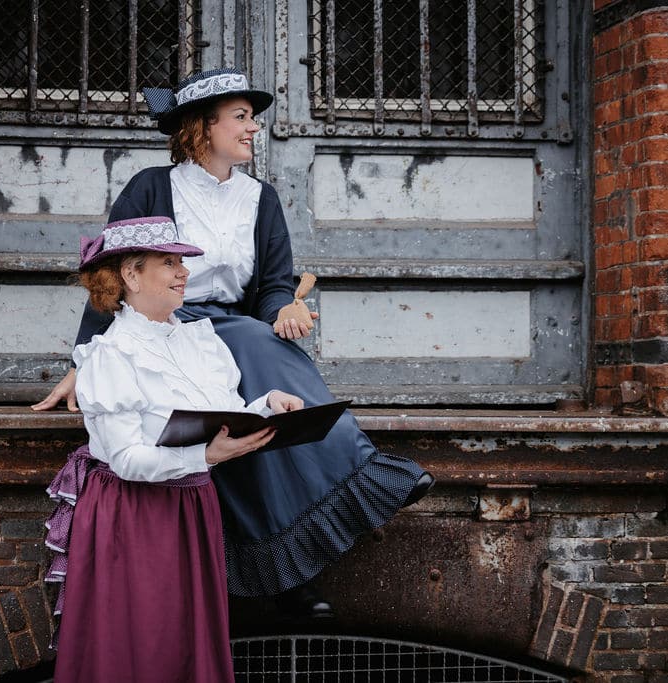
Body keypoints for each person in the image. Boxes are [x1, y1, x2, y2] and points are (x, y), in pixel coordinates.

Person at [35, 68, 434, 616]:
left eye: (254, 118)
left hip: (232, 328)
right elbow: (114, 275)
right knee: (250, 361)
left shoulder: (260, 198)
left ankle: (332, 499)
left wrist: (286, 309)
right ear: (203, 126)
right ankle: (293, 552)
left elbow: (272, 283)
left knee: (259, 379)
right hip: (161, 327)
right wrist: (88, 357)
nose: (254, 129)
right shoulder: (152, 187)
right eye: (241, 117)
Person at [46, 216, 305, 682]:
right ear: (131, 275)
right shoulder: (112, 354)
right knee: (141, 642)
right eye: (169, 263)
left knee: (187, 641)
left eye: (182, 262)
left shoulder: (196, 340)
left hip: (192, 504)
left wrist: (267, 407)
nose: (184, 272)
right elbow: (126, 460)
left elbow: (224, 412)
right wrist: (205, 458)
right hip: (134, 513)